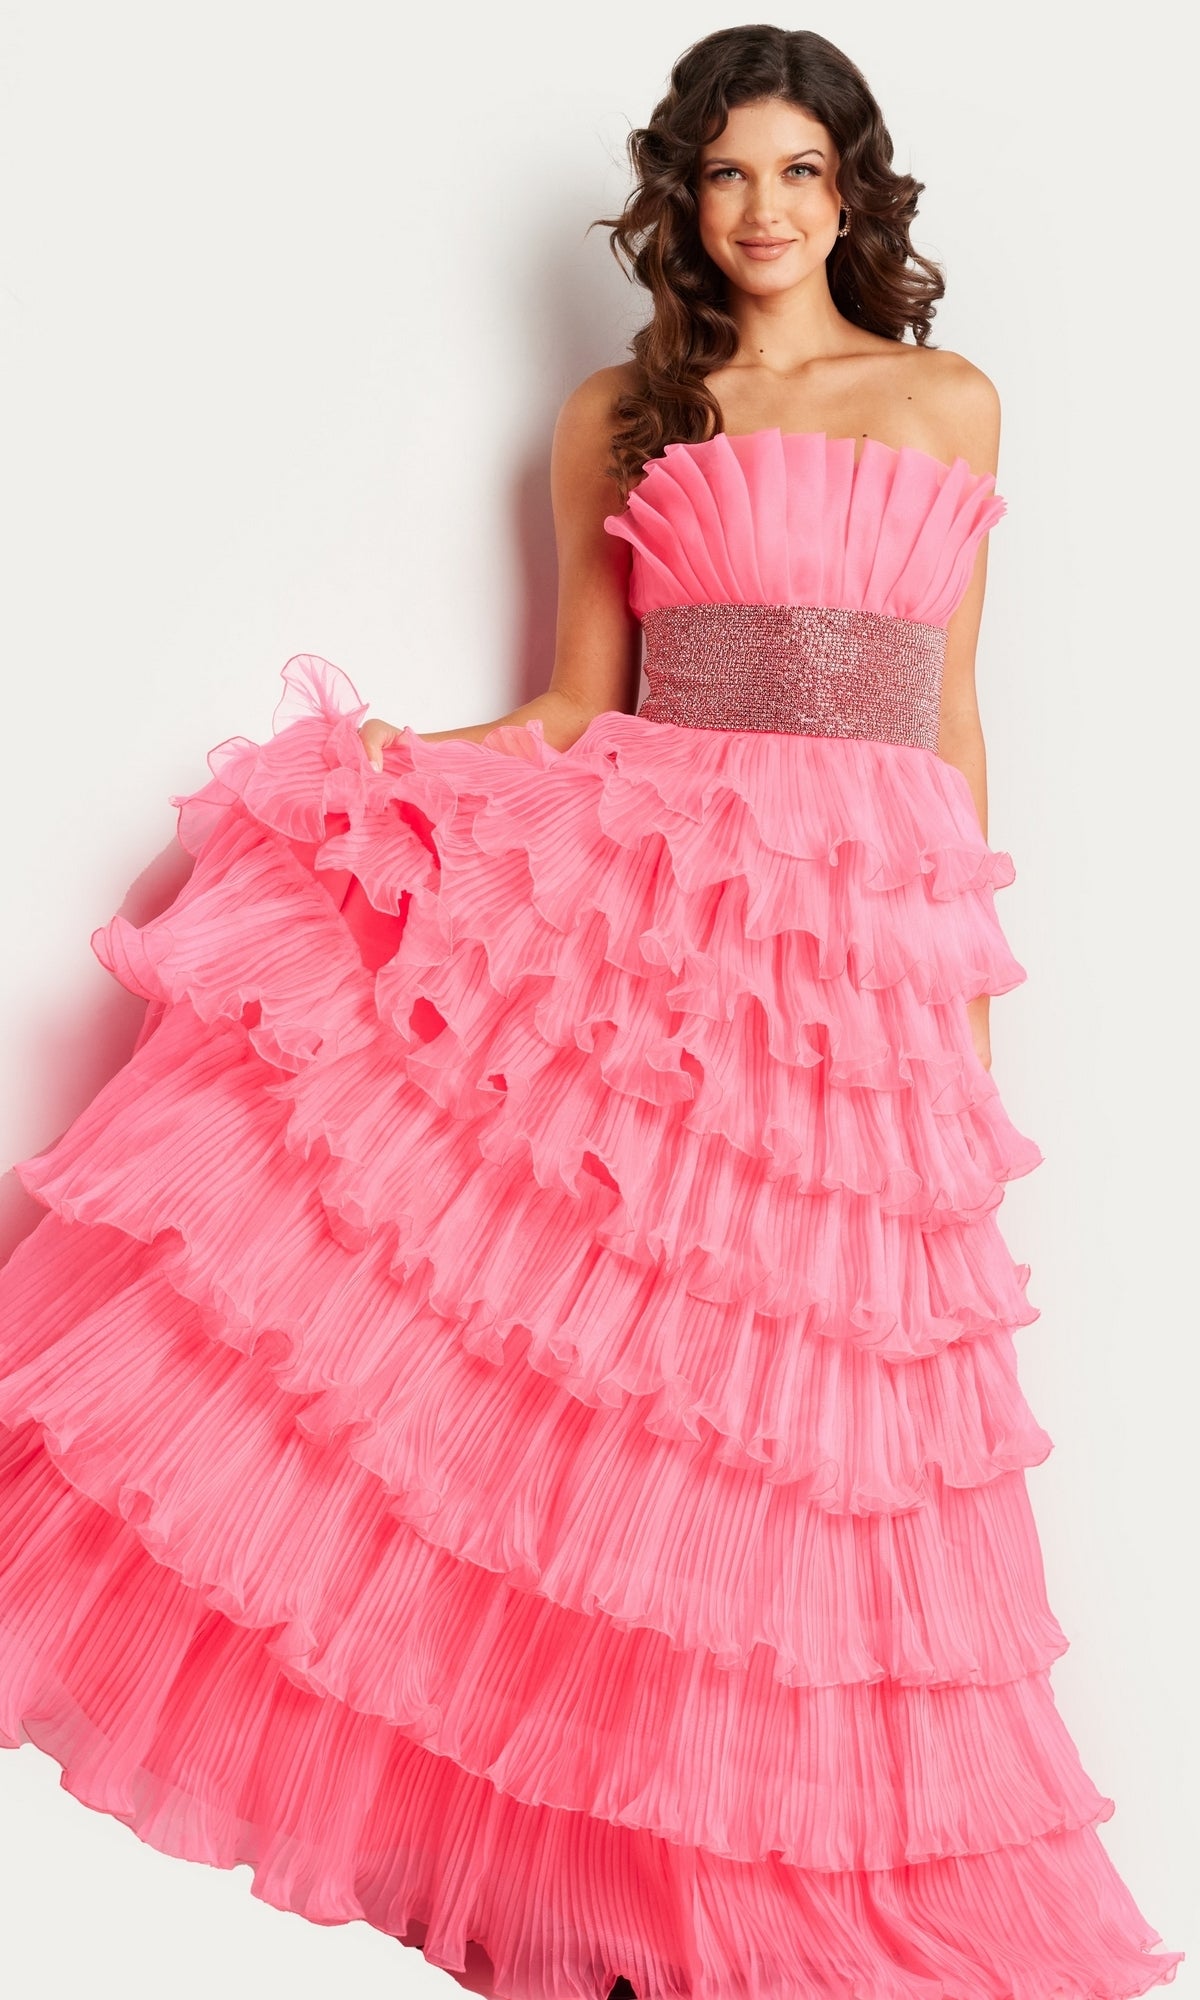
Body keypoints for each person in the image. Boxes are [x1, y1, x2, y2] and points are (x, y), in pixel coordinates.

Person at [0, 22, 1184, 2000]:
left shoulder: (953, 405)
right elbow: (577, 709)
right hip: (666, 904)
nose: (764, 213)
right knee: (638, 1387)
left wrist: (969, 995)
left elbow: (951, 715)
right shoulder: (621, 415)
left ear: (856, 194)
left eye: (801, 174)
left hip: (861, 950)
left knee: (824, 1419)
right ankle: (612, 1894)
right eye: (728, 177)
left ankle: (747, 1875)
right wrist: (394, 770)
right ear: (684, 202)